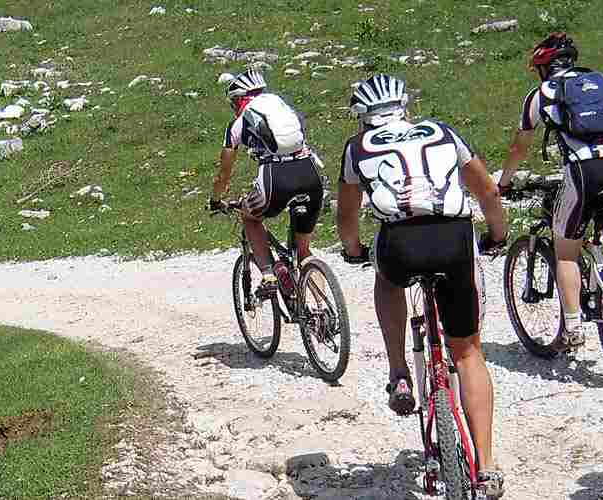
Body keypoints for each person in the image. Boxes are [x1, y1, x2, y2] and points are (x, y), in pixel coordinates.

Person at [335, 74, 510, 498]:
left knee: (387, 280)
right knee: (467, 352)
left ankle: (398, 372)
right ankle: (486, 466)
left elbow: (347, 216)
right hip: (452, 238)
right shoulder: (443, 132)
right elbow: (486, 189)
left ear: (362, 118)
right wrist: (498, 234)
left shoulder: (357, 148)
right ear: (405, 108)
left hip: (400, 242)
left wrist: (354, 249)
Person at [495, 32, 603, 350]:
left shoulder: (541, 94)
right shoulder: (596, 81)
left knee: (566, 251)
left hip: (584, 171)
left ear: (543, 67)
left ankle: (572, 328)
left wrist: (504, 182)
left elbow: (520, 146)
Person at [208, 69, 325, 299]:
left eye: (233, 102)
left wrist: (215, 198)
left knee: (250, 217)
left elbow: (224, 171)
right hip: (310, 173)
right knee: (304, 252)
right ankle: (324, 314)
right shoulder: (284, 108)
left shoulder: (239, 122)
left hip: (275, 178)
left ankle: (268, 274)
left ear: (239, 99)